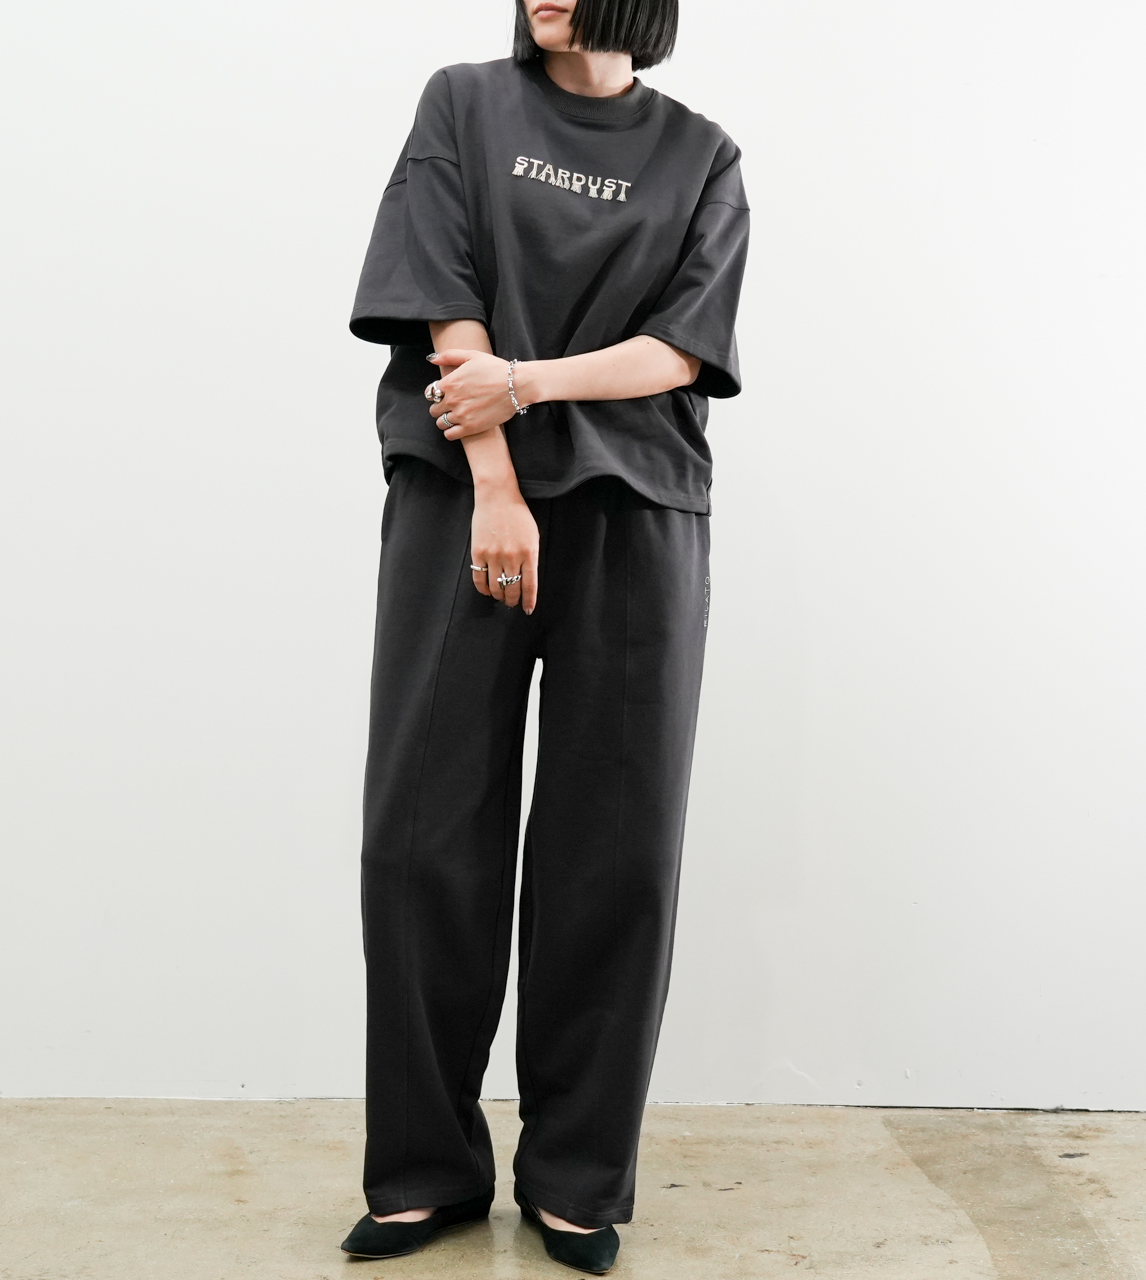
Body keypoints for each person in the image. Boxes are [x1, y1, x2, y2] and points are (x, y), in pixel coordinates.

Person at [339, 0, 748, 1271]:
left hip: (638, 508)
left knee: (614, 848)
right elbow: (441, 299)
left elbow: (680, 350)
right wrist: (497, 481)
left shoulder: (701, 154)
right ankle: (423, 1168)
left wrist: (530, 381)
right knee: (421, 831)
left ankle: (576, 1175)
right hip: (464, 494)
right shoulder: (463, 102)